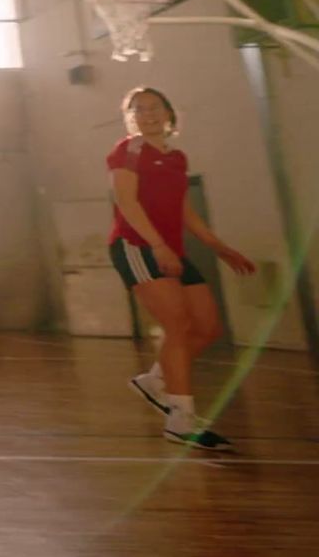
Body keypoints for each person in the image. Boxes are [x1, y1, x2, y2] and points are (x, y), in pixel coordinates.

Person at [107, 86, 254, 450]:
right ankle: (180, 421)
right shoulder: (129, 150)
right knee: (177, 325)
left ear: (169, 113)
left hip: (170, 249)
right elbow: (126, 202)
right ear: (131, 118)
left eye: (154, 107)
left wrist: (218, 246)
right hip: (137, 247)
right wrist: (156, 245)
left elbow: (183, 209)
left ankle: (155, 381)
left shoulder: (177, 158)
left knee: (207, 327)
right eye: (138, 109)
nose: (147, 114)